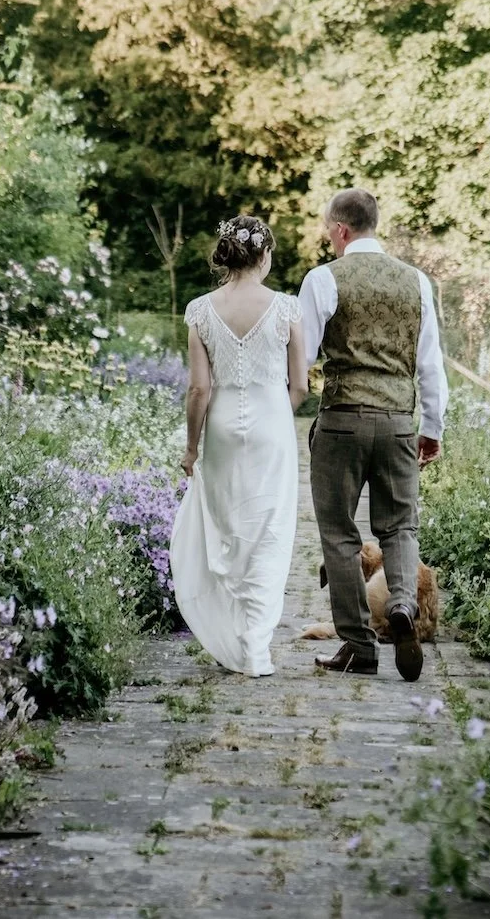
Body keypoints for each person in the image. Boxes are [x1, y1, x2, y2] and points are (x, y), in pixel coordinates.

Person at [298, 188, 447, 681]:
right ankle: (402, 605)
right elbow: (430, 364)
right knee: (400, 526)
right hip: (399, 424)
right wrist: (432, 426)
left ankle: (360, 646)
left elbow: (301, 358)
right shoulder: (416, 282)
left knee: (339, 534)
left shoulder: (323, 279)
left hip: (342, 419)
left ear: (340, 229)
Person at [170, 215, 309, 677]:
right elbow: (301, 387)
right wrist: (275, 412)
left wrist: (192, 449)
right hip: (273, 426)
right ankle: (256, 648)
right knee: (269, 529)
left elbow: (198, 391)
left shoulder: (200, 310)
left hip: (223, 427)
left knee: (227, 526)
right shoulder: (288, 309)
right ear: (264, 256)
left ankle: (234, 633)